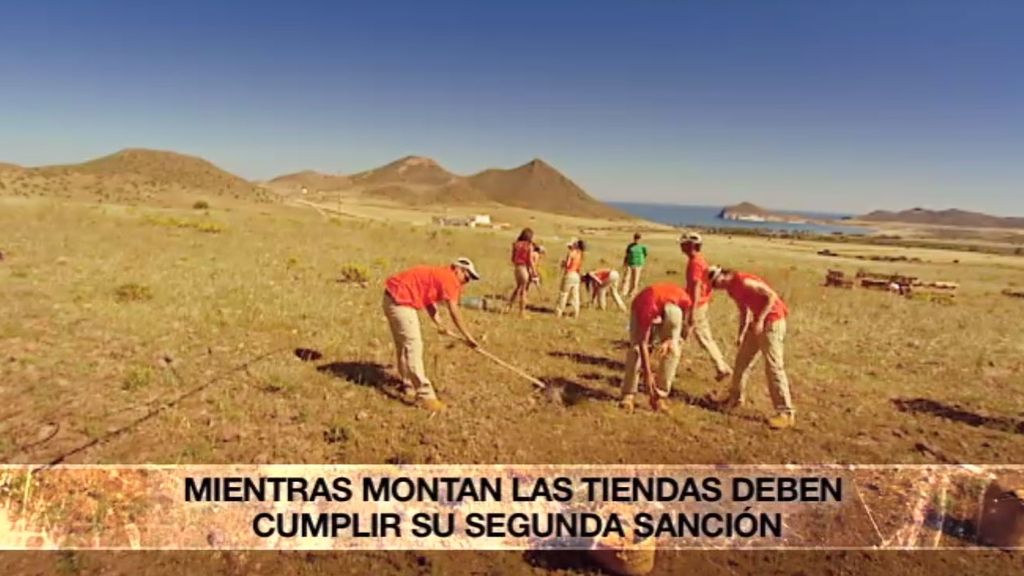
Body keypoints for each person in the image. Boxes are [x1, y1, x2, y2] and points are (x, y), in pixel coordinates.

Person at [382, 258, 481, 411]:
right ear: (458, 270)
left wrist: (439, 323)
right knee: (413, 346)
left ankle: (408, 384)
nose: (465, 282)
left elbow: (428, 300)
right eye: (466, 277)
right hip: (400, 302)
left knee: (404, 345)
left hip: (390, 299)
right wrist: (468, 336)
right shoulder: (450, 279)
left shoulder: (440, 274)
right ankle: (425, 396)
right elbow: (454, 311)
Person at [707, 266, 795, 429]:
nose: (716, 287)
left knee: (773, 367)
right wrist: (741, 333)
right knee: (741, 363)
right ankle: (734, 399)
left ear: (723, 275)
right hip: (756, 324)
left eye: (715, 282)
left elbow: (772, 296)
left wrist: (761, 320)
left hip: (772, 322)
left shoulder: (744, 281)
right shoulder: (732, 290)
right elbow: (743, 311)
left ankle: (785, 413)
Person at [620, 283, 693, 413]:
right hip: (641, 306)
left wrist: (674, 340)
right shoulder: (648, 308)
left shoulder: (684, 301)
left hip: (668, 310)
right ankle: (628, 395)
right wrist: (648, 374)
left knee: (673, 350)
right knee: (636, 351)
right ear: (659, 319)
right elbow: (643, 342)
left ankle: (659, 396)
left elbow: (688, 326)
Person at [679, 232, 732, 381]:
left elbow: (696, 287)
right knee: (701, 335)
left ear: (691, 246)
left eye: (684, 243)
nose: (681, 246)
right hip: (701, 302)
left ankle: (721, 367)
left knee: (694, 334)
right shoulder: (699, 260)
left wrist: (692, 311)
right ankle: (721, 365)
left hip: (696, 304)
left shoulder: (695, 262)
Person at [507, 229, 537, 316]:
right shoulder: (529, 246)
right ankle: (522, 312)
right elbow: (530, 260)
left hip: (517, 268)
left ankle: (508, 306)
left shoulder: (516, 244)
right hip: (524, 268)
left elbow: (513, 258)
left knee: (518, 288)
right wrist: (534, 272)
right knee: (524, 291)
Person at [555, 239, 585, 318]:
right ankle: (576, 312)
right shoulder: (580, 254)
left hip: (569, 274)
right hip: (576, 275)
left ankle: (559, 311)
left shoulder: (571, 253)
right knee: (575, 295)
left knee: (563, 294)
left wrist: (563, 264)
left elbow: (568, 265)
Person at [620, 233, 648, 298]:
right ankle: (624, 292)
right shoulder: (630, 246)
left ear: (640, 239)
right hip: (629, 263)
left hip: (638, 264)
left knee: (635, 279)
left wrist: (641, 261)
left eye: (638, 238)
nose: (637, 240)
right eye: (636, 238)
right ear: (634, 238)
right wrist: (625, 262)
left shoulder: (643, 247)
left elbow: (645, 254)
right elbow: (627, 254)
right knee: (626, 278)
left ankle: (632, 293)